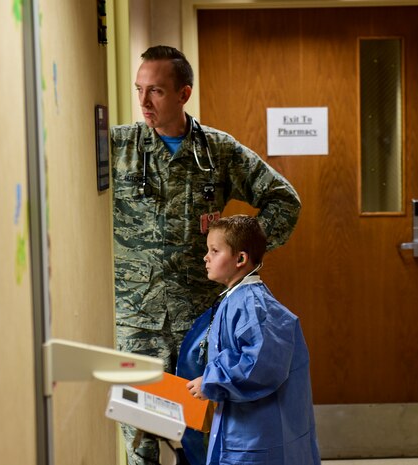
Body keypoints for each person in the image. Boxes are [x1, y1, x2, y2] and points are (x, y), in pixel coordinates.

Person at [111, 45, 301, 465]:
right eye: (139, 89)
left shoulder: (218, 151)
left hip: (201, 323)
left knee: (199, 434)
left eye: (156, 91)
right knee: (140, 441)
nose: (143, 102)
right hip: (135, 320)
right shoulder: (118, 146)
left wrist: (236, 246)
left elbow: (284, 201)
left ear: (184, 93)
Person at [186, 215, 320, 465]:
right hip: (242, 429)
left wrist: (211, 381)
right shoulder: (235, 300)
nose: (206, 257)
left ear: (240, 259)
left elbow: (259, 366)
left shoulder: (254, 306)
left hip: (256, 439)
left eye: (214, 251)